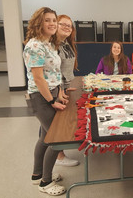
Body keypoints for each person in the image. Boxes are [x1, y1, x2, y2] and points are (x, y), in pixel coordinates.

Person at [23, 7, 66, 195]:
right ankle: (45, 183)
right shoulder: (34, 46)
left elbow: (54, 72)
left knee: (44, 138)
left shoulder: (48, 43)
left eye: (54, 20)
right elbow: (38, 78)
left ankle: (36, 175)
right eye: (47, 20)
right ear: (38, 23)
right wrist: (51, 101)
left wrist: (60, 92)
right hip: (41, 98)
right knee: (56, 139)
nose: (52, 24)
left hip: (52, 93)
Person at [54, 14, 80, 167]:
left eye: (69, 26)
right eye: (63, 24)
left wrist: (68, 83)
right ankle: (59, 155)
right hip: (58, 89)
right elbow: (53, 70)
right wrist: (60, 89)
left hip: (66, 85)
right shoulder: (53, 46)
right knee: (55, 124)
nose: (66, 27)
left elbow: (66, 66)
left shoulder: (66, 43)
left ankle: (58, 154)